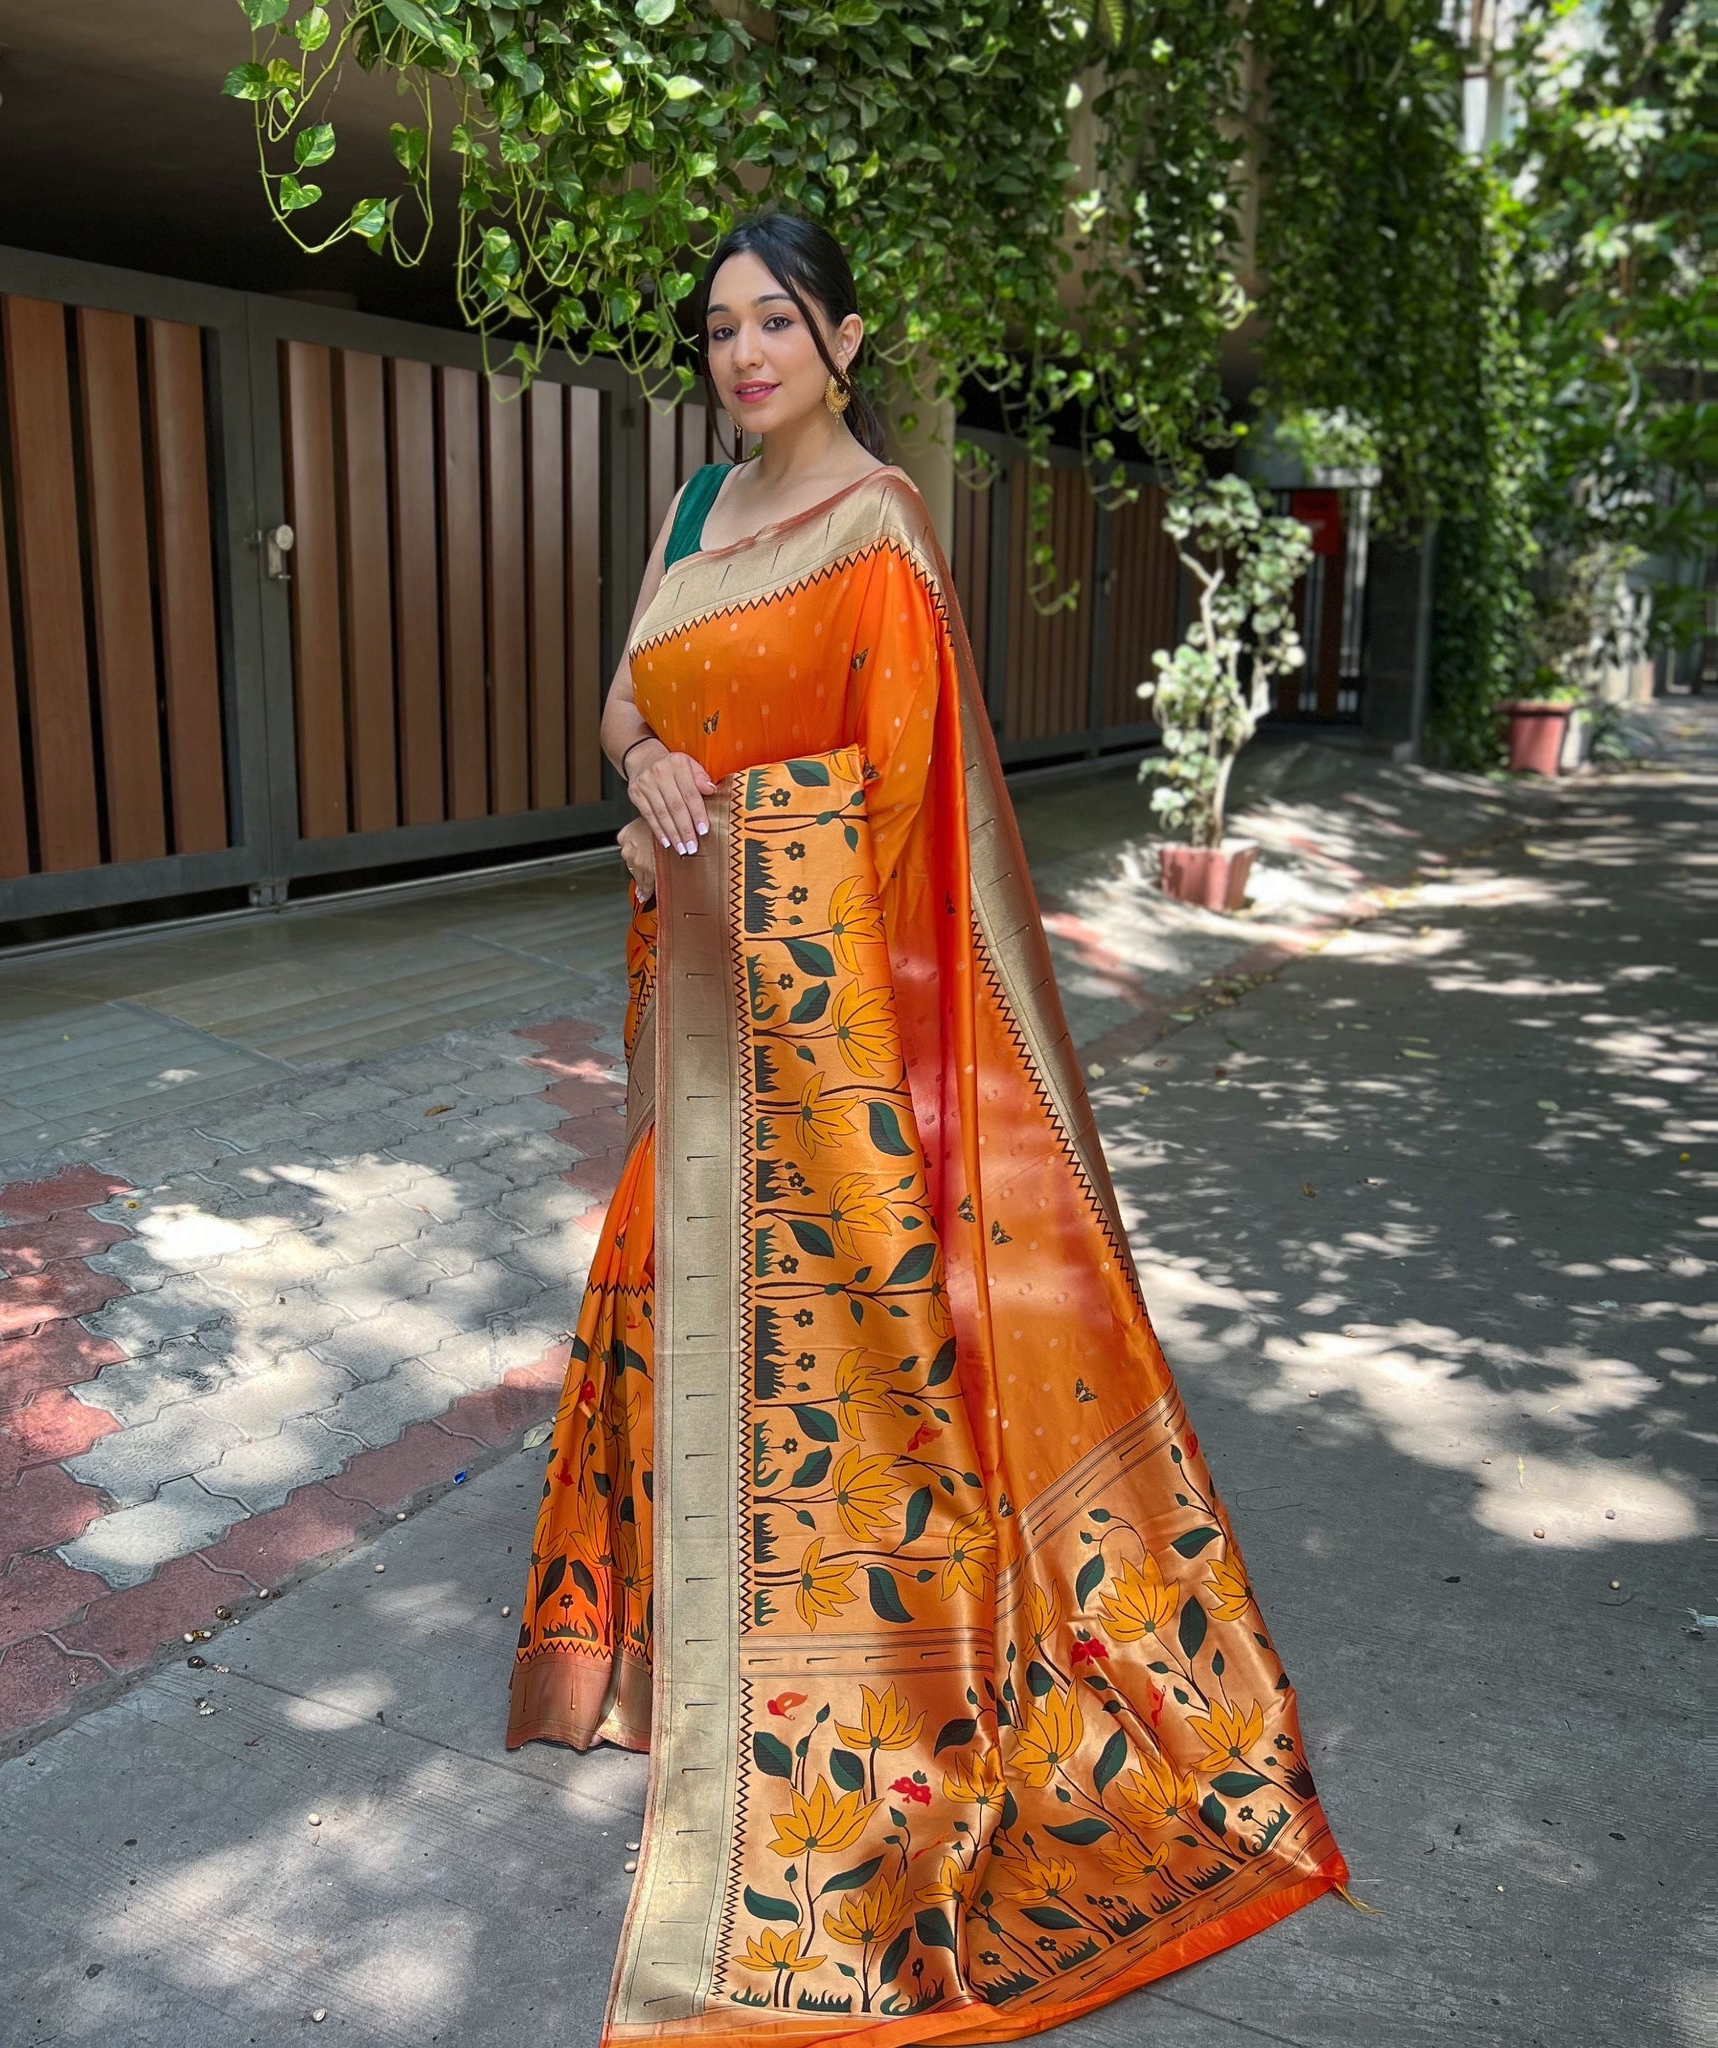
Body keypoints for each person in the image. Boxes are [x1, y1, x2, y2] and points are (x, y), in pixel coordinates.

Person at [507, 210, 1350, 2045]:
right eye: (721, 327)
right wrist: (640, 762)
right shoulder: (685, 517)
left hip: (820, 1047)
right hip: (699, 1032)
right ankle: (672, 1672)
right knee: (671, 1319)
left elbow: (902, 817)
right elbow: (626, 693)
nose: (745, 355)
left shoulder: (879, 529)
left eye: (778, 324)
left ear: (844, 334)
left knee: (850, 1387)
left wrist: (751, 851)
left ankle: (891, 1710)